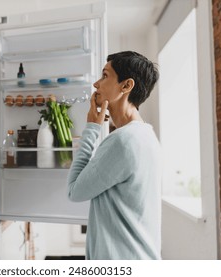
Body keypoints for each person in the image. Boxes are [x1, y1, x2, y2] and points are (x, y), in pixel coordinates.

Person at [67, 51, 162, 260]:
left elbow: (74, 191)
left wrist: (92, 128)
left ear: (126, 86)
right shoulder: (146, 136)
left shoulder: (123, 141)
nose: (96, 84)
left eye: (105, 76)